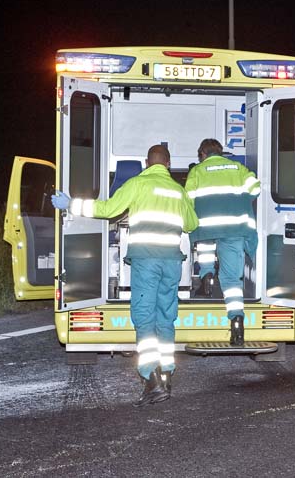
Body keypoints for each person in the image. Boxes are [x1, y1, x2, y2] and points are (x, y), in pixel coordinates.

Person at [51, 144, 198, 407]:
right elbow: (191, 224)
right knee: (166, 317)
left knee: (144, 317)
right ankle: (165, 374)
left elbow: (108, 210)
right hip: (171, 263)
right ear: (167, 164)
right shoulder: (178, 190)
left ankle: (151, 380)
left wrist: (70, 204)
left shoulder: (137, 184)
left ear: (146, 163)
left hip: (146, 261)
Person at [185, 138, 261, 346]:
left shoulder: (197, 171)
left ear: (202, 154)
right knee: (231, 279)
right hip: (234, 228)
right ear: (221, 152)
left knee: (205, 248)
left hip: (207, 226)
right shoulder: (238, 168)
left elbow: (188, 200)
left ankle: (207, 276)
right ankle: (237, 321)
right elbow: (256, 189)